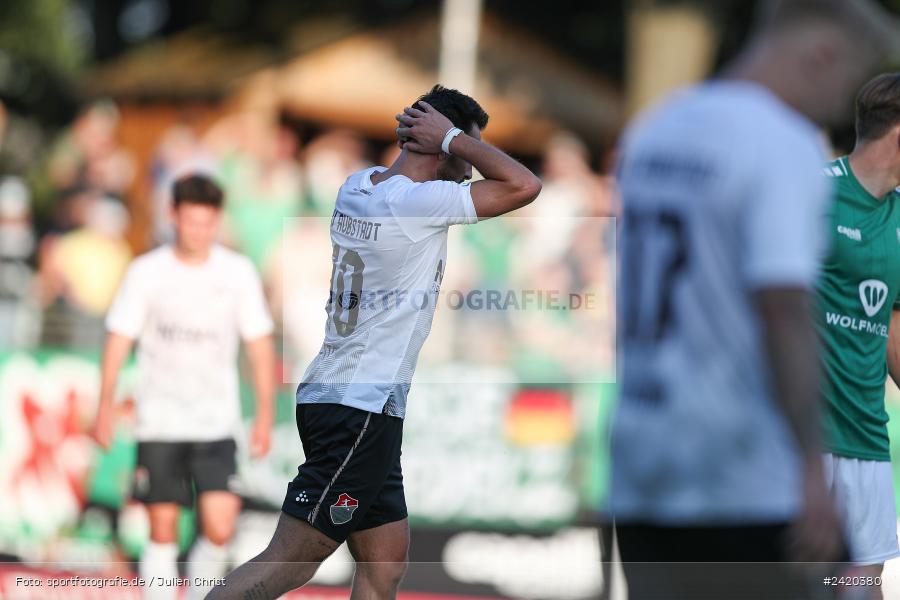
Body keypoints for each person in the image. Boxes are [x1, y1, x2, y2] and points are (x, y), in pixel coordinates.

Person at [609, 1, 897, 598]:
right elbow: (783, 312)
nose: (839, 107)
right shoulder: (781, 142)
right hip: (742, 473)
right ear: (822, 54)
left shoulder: (656, 126)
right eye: (845, 80)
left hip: (642, 465)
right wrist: (812, 468)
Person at [208, 85, 541, 599]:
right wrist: (453, 137)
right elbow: (523, 185)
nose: (470, 167)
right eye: (461, 151)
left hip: (345, 396)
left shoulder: (358, 184)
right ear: (438, 143)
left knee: (385, 564)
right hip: (358, 407)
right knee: (294, 559)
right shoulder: (416, 203)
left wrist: (445, 141)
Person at [92, 174, 275, 600]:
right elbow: (119, 340)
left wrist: (264, 413)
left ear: (217, 221)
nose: (199, 232)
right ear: (173, 216)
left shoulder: (237, 273)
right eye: (191, 222)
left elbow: (259, 346)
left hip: (216, 419)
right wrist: (104, 406)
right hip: (160, 420)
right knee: (162, 528)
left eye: (207, 222)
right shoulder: (146, 272)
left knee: (220, 526)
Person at [817, 72, 900, 599]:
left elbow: (892, 331)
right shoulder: (810, 194)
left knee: (860, 589)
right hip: (800, 442)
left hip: (867, 440)